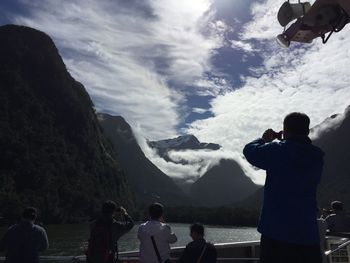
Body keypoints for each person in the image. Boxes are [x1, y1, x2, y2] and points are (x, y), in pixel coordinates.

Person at [243, 112, 324, 263]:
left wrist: (265, 140)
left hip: (276, 233)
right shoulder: (317, 157)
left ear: (285, 129)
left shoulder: (277, 150)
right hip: (307, 234)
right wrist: (284, 142)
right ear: (307, 131)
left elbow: (249, 151)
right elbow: (295, 155)